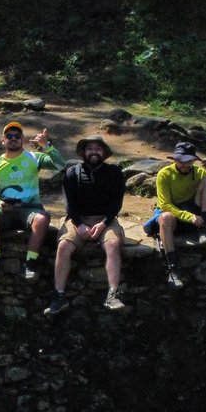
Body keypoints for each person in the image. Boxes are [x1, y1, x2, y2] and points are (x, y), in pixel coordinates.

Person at [45, 134, 128, 315]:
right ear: (84, 152)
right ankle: (59, 295)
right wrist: (79, 224)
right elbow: (69, 204)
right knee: (64, 245)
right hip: (77, 219)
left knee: (113, 244)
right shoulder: (72, 173)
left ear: (103, 152)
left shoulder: (114, 173)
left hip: (106, 219)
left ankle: (113, 294)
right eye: (89, 148)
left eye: (97, 148)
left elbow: (116, 203)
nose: (93, 152)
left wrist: (104, 223)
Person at [0, 121, 63, 280]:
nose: (13, 138)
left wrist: (47, 146)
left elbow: (60, 165)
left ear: (23, 139)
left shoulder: (34, 157)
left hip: (30, 209)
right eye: (9, 136)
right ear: (3, 140)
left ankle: (30, 263)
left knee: (41, 219)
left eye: (17, 136)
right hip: (5, 209)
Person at [152, 141, 206, 288]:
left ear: (194, 160)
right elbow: (164, 204)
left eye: (188, 161)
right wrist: (189, 217)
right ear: (174, 159)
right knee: (165, 218)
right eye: (180, 161)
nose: (184, 165)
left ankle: (205, 227)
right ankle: (173, 268)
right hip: (176, 215)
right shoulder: (164, 174)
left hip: (196, 213)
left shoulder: (200, 173)